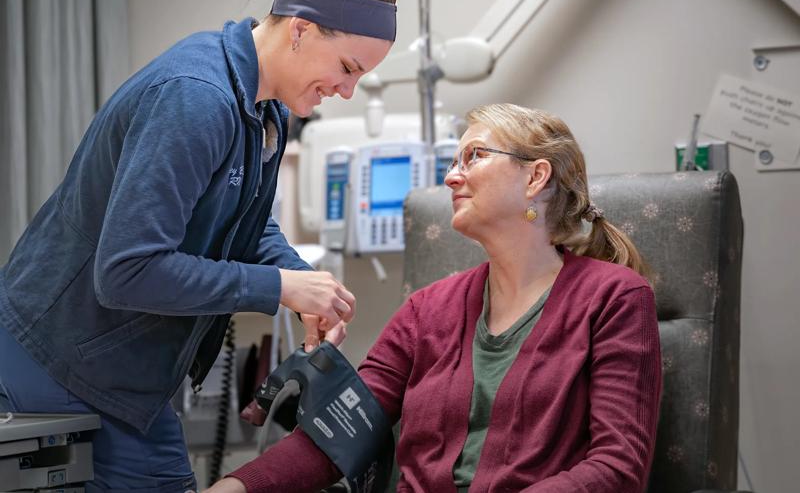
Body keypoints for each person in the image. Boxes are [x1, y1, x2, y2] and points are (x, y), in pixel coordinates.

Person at [0, 0, 396, 490]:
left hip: (125, 371)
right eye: (347, 68)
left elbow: (247, 224)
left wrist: (304, 285)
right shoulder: (196, 97)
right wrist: (277, 286)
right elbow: (127, 270)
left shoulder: (264, 106)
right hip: (57, 361)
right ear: (300, 28)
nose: (347, 90)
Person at [208, 103, 662, 493]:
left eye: (474, 156)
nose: (451, 177)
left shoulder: (613, 298)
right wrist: (237, 485)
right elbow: (345, 432)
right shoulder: (428, 310)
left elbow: (617, 468)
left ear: (535, 177)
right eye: (453, 161)